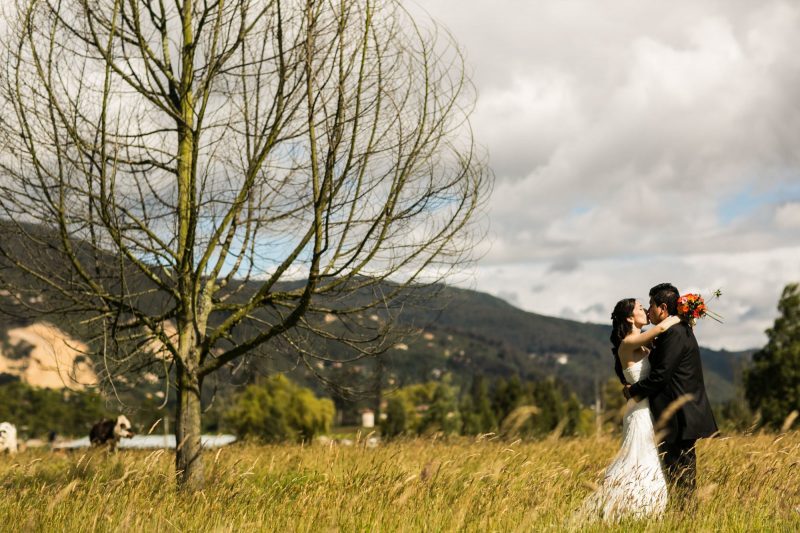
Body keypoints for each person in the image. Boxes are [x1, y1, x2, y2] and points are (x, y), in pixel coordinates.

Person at [578, 297, 680, 522]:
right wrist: (685, 312)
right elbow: (662, 326)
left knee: (649, 461)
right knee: (641, 462)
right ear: (629, 317)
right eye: (640, 308)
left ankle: (642, 511)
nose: (645, 311)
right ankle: (635, 511)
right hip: (639, 412)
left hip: (648, 409)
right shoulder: (628, 342)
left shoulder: (642, 343)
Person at [626, 283, 718, 506]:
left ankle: (684, 520)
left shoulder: (674, 333)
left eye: (651, 305)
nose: (649, 310)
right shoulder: (676, 330)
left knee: (681, 478)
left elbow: (661, 376)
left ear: (663, 308)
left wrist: (633, 392)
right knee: (679, 475)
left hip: (680, 417)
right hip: (679, 417)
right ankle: (683, 519)